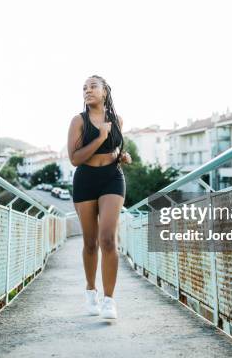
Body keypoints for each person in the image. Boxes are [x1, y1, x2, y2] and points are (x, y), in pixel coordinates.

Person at [67, 75, 132, 319]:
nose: (87, 90)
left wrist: (121, 156)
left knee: (108, 239)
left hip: (112, 177)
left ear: (105, 91)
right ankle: (90, 290)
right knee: (91, 242)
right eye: (84, 87)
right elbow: (75, 159)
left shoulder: (117, 120)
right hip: (85, 179)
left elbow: (114, 149)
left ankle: (109, 300)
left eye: (93, 86)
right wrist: (100, 137)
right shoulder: (78, 121)